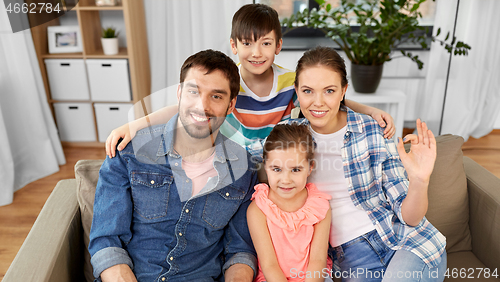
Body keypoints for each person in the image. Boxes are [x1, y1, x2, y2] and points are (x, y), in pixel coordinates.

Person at [104, 4, 395, 160]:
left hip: (277, 163)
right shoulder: (226, 82)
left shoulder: (290, 80)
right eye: (247, 43)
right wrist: (133, 125)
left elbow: (325, 97)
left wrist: (369, 111)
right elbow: (181, 108)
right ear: (233, 45)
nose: (256, 53)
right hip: (237, 161)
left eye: (266, 44)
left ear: (278, 46)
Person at [88, 49, 258, 282]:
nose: (202, 106)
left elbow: (240, 251)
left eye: (216, 96)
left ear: (230, 105)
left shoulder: (244, 170)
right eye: (193, 92)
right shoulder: (128, 152)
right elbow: (106, 241)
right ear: (179, 93)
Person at [281, 46, 447, 281]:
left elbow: (410, 218)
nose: (317, 102)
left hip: (406, 243)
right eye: (308, 91)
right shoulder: (287, 137)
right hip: (349, 259)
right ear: (296, 91)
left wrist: (420, 181)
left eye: (329, 90)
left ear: (343, 91)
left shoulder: (370, 130)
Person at [247, 123, 333, 282]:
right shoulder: (258, 209)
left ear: (310, 168)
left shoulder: (319, 207)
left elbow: (317, 261)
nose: (285, 180)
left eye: (295, 170)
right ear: (266, 166)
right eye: (277, 169)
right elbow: (269, 265)